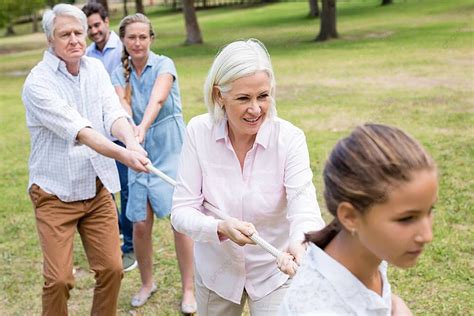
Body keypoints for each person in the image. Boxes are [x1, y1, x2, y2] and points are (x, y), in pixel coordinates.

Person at [171, 39, 326, 315]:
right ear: (220, 96)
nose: (255, 109)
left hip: (273, 274)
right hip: (217, 274)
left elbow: (305, 208)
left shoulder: (290, 139)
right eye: (243, 98)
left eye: (263, 96)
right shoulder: (198, 132)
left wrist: (300, 243)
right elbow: (181, 211)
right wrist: (220, 227)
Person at [22, 4, 149, 316]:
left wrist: (132, 141)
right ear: (50, 40)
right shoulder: (37, 83)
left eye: (79, 32)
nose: (75, 39)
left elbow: (113, 114)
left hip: (95, 189)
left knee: (112, 269)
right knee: (59, 280)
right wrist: (124, 154)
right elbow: (82, 131)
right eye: (65, 34)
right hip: (54, 192)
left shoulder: (95, 70)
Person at [279, 124, 437, 315]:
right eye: (406, 219)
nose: (427, 235)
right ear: (350, 216)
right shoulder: (317, 309)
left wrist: (395, 305)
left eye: (430, 211)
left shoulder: (367, 248)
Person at [111, 13, 196, 312]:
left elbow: (157, 101)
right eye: (132, 37)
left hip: (169, 149)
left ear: (151, 38)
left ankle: (189, 289)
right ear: (123, 39)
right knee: (140, 224)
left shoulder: (164, 64)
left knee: (180, 221)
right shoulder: (118, 72)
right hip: (138, 150)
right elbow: (120, 103)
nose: (137, 42)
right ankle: (148, 283)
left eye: (143, 36)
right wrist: (133, 136)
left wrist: (141, 128)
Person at [82, 2, 136, 273]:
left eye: (96, 24)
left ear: (106, 21)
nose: (93, 31)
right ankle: (113, 240)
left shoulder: (124, 47)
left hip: (123, 129)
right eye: (89, 27)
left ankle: (130, 246)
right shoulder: (87, 55)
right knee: (107, 190)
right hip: (98, 136)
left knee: (126, 189)